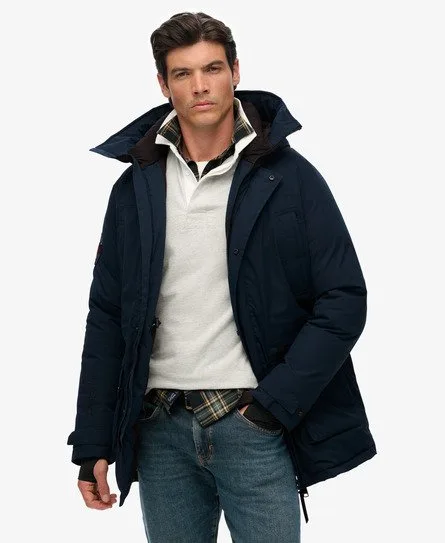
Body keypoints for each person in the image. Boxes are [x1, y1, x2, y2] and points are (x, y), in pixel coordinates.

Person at [67, 11, 377, 542]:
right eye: (182, 73)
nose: (200, 86)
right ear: (163, 84)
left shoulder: (291, 179)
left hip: (252, 425)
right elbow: (108, 316)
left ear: (235, 71)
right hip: (158, 428)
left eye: (212, 68)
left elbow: (343, 299)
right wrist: (93, 441)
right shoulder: (135, 187)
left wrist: (273, 407)